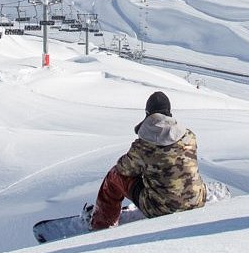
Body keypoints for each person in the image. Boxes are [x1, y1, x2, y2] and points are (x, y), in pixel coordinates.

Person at [89, 91, 207, 229]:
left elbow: (123, 168)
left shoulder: (144, 146)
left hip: (161, 210)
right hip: (198, 201)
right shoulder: (189, 136)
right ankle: (186, 195)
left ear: (147, 113)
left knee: (114, 176)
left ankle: (102, 223)